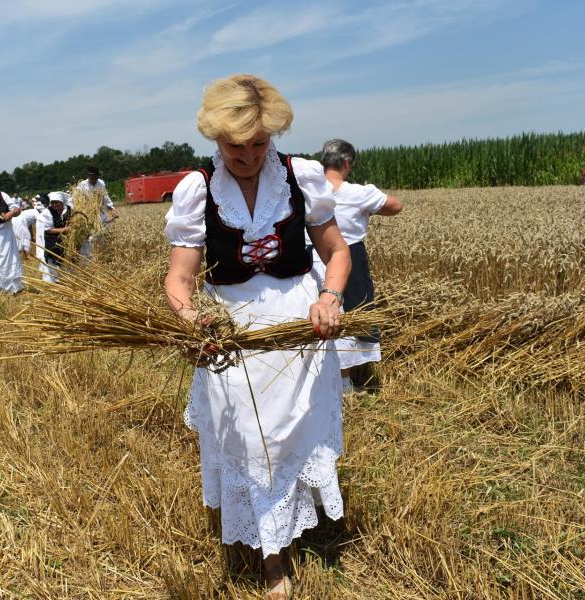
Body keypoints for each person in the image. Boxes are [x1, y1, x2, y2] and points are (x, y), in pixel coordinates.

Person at [164, 74, 350, 599]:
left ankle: (286, 535)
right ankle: (272, 558)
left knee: (291, 431)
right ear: (215, 137)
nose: (247, 156)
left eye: (258, 144)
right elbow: (179, 279)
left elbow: (337, 253)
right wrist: (191, 318)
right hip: (233, 331)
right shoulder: (198, 190)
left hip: (298, 326)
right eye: (235, 146)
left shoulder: (300, 177)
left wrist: (330, 298)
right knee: (250, 438)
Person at [315, 139, 402, 394]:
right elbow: (395, 206)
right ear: (346, 163)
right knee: (348, 317)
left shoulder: (311, 189)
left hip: (312, 258)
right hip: (348, 257)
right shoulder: (358, 193)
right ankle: (344, 384)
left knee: (319, 316)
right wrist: (368, 210)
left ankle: (322, 383)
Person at [36, 191, 72, 283]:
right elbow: (48, 229)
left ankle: (65, 281)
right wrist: (65, 230)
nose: (54, 205)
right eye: (52, 203)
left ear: (62, 202)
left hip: (64, 242)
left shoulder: (68, 210)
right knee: (51, 262)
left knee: (65, 261)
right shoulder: (47, 213)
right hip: (51, 242)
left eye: (56, 202)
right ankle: (52, 282)